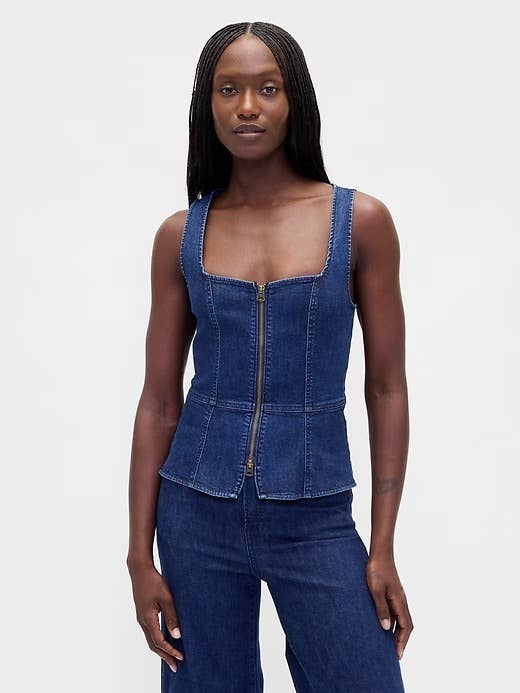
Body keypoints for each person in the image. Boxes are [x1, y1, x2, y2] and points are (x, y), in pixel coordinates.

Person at [126, 20, 413, 692]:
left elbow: (386, 388)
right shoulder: (180, 234)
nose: (247, 106)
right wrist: (139, 555)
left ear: (295, 100)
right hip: (194, 508)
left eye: (267, 88)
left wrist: (382, 546)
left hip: (315, 510)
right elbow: (160, 401)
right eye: (228, 89)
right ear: (207, 104)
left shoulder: (360, 222)